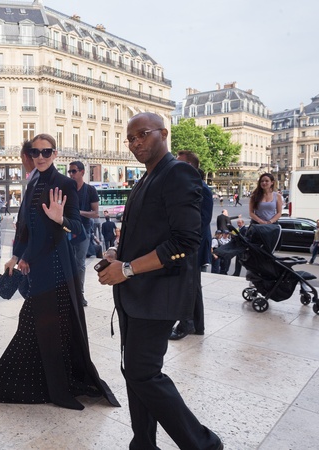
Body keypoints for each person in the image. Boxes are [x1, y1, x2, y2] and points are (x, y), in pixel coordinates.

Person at [97, 112, 223, 450]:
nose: (135, 143)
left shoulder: (178, 172)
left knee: (143, 373)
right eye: (130, 138)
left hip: (158, 295)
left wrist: (127, 269)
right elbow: (149, 234)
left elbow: (185, 241)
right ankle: (143, 443)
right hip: (136, 294)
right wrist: (117, 253)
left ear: (163, 134)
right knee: (135, 371)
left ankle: (204, 444)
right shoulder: (145, 178)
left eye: (142, 134)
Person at [0, 133, 119, 411]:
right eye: (35, 152)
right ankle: (47, 382)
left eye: (46, 152)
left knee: (49, 324)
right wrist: (17, 256)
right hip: (37, 266)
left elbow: (77, 227)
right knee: (41, 324)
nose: (40, 157)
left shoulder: (65, 184)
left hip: (57, 266)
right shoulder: (32, 183)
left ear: (55, 154)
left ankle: (59, 387)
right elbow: (25, 226)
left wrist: (60, 219)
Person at [170, 150, 213, 340]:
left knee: (189, 285)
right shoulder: (191, 186)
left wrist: (186, 242)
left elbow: (203, 220)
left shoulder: (201, 188)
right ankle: (197, 325)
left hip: (193, 245)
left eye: (179, 163)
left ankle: (186, 324)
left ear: (188, 166)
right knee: (192, 285)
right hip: (191, 243)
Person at [67, 161, 99, 307]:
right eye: (70, 172)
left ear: (82, 172)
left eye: (74, 171)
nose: (71, 174)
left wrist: (79, 212)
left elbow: (95, 213)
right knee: (68, 262)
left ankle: (79, 294)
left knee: (79, 263)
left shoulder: (90, 190)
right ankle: (68, 293)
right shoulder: (68, 189)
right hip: (67, 229)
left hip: (83, 231)